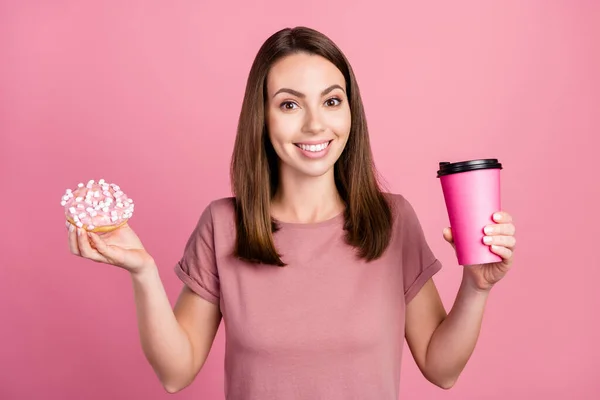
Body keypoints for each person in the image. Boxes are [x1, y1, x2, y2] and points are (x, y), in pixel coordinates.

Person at [66, 26, 517, 399]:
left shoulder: (392, 221)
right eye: (289, 104)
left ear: (351, 113)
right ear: (261, 118)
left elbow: (441, 369)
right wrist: (142, 272)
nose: (315, 124)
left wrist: (476, 289)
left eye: (331, 100)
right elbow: (175, 373)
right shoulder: (224, 226)